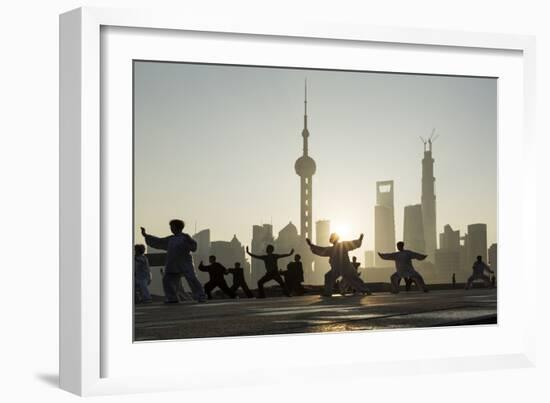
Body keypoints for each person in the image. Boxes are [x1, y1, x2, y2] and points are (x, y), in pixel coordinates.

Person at [141, 219, 207, 303]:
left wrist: (189, 243)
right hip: (172, 263)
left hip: (185, 263)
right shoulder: (171, 239)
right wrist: (146, 235)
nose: (171, 229)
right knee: (167, 280)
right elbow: (159, 241)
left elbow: (194, 247)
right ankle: (172, 298)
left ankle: (201, 296)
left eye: (172, 227)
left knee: (192, 279)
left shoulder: (185, 237)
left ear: (177, 227)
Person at [307, 233, 372, 297]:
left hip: (340, 268)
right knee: (354, 278)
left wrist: (311, 245)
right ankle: (365, 290)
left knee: (329, 277)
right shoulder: (340, 246)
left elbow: (321, 250)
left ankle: (328, 292)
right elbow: (353, 244)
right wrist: (359, 240)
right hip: (343, 267)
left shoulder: (337, 247)